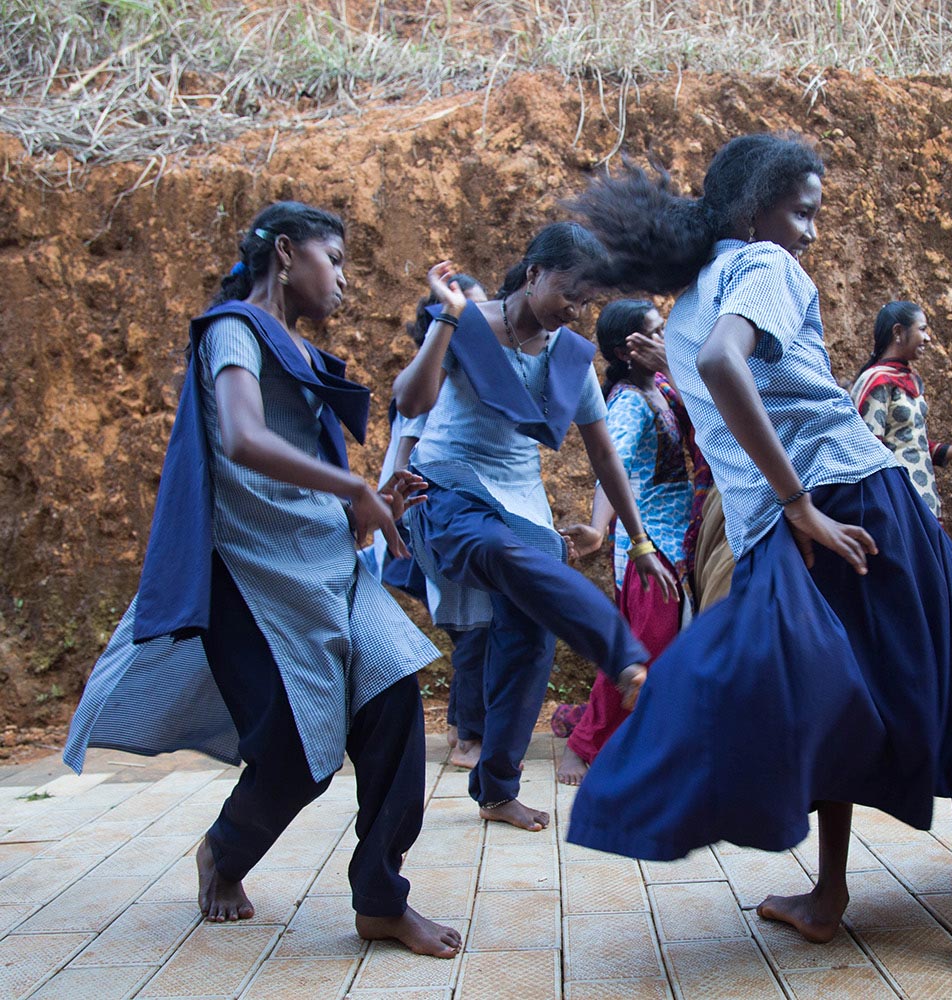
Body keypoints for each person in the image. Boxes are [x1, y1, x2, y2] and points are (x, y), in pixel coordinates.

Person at [566, 133, 952, 974]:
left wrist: (787, 509)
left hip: (780, 534)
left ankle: (827, 898)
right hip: (852, 502)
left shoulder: (682, 306)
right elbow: (727, 363)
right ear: (754, 208)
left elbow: (714, 364)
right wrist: (801, 500)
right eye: (803, 212)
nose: (810, 235)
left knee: (834, 698)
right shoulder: (763, 266)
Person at [63, 202, 462, 957]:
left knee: (395, 702)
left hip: (326, 567)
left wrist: (361, 509)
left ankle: (381, 897)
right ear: (286, 252)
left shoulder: (298, 352)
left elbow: (299, 491)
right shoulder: (232, 330)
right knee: (293, 752)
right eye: (334, 257)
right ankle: (224, 851)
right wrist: (355, 492)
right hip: (247, 575)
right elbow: (244, 439)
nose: (344, 278)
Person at [393, 223, 671, 831]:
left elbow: (604, 457)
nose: (574, 310)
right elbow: (411, 404)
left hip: (522, 511)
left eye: (585, 301)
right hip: (448, 496)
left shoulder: (568, 357)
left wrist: (640, 538)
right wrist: (445, 319)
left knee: (527, 648)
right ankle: (625, 660)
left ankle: (495, 789)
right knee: (504, 553)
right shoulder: (465, 324)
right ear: (534, 272)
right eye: (568, 292)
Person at [558, 299, 695, 785]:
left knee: (646, 650)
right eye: (655, 334)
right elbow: (607, 468)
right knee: (644, 651)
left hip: (677, 541)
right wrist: (598, 529)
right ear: (627, 349)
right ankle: (585, 746)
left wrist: (670, 366)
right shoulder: (626, 405)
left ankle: (637, 743)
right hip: (649, 548)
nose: (664, 339)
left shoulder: (660, 385)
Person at [367, 276, 490, 771]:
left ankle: (462, 729)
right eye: (474, 310)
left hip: (431, 524)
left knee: (474, 624)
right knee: (475, 622)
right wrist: (396, 525)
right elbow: (405, 457)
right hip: (423, 525)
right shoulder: (434, 378)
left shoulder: (456, 374)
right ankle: (467, 740)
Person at [849, 301, 952, 518]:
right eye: (922, 329)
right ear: (898, 332)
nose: (927, 338)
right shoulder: (877, 381)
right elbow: (869, 450)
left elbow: (917, 446)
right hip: (898, 505)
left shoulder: (908, 379)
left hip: (921, 501)